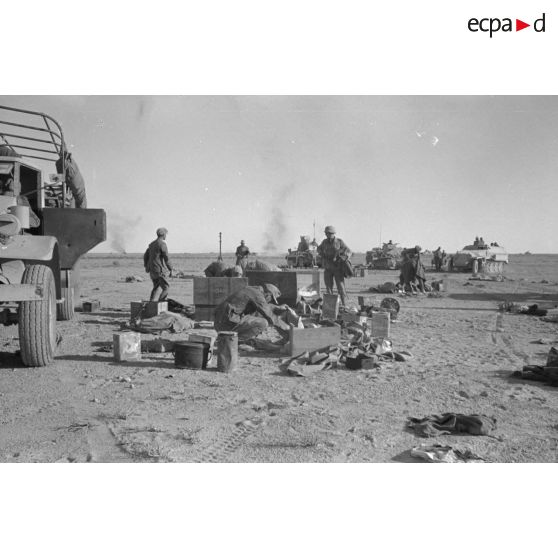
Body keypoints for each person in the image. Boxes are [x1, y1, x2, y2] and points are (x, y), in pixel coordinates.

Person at [317, 225, 351, 307]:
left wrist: (343, 257)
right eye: (326, 233)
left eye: (328, 233)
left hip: (337, 268)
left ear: (332, 233)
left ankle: (344, 304)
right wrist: (322, 255)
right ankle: (331, 306)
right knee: (328, 287)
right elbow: (319, 249)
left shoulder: (339, 242)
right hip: (328, 268)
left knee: (341, 287)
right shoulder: (324, 242)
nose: (327, 235)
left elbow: (348, 251)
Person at [144, 227, 173, 302]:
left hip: (152, 270)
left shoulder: (151, 244)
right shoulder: (162, 244)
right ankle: (160, 304)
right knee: (166, 288)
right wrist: (171, 269)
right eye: (166, 234)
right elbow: (166, 258)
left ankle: (151, 305)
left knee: (156, 287)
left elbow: (145, 256)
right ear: (163, 234)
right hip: (159, 270)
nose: (166, 236)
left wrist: (147, 267)